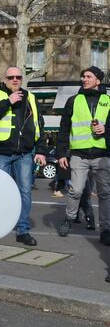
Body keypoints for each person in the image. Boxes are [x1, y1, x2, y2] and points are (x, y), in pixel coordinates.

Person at [0, 66, 47, 246]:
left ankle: (22, 230)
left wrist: (41, 150)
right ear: (4, 79)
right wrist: (8, 102)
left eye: (18, 77)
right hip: (1, 153)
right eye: (11, 77)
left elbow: (39, 125)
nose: (15, 80)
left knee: (25, 191)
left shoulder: (31, 98)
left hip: (25, 154)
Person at [56, 66, 110, 244]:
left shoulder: (108, 101)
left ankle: (106, 229)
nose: (84, 79)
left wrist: (105, 130)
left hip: (102, 155)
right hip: (79, 154)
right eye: (83, 76)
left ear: (98, 80)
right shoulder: (73, 100)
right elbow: (64, 128)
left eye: (88, 76)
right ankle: (69, 219)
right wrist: (62, 153)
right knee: (76, 190)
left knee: (105, 193)